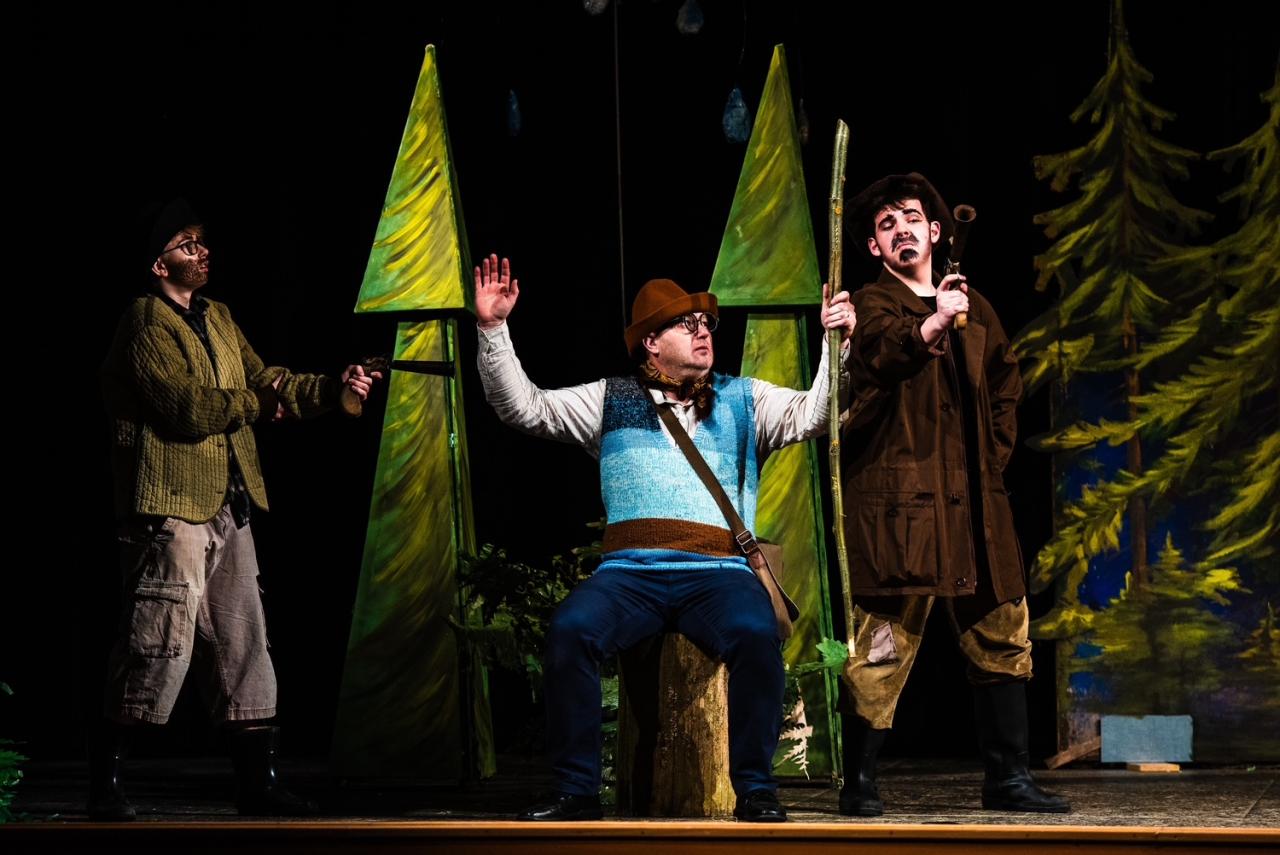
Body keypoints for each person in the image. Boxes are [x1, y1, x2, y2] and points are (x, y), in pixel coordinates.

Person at [473, 254, 854, 822]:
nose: (703, 332)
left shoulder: (746, 398)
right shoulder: (609, 399)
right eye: (686, 324)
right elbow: (523, 408)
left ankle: (756, 790)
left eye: (706, 324)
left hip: (718, 575)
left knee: (757, 635)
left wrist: (835, 345)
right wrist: (493, 329)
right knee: (572, 631)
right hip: (630, 576)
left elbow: (818, 413)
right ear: (650, 343)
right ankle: (577, 792)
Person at [92, 198, 381, 820]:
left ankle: (258, 784)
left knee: (244, 640)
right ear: (157, 264)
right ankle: (105, 784)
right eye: (186, 244)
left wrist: (332, 388)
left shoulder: (216, 316)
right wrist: (257, 404)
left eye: (201, 241)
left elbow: (264, 378)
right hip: (170, 508)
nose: (201, 252)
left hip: (230, 503)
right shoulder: (145, 324)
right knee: (157, 640)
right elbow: (187, 408)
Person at [835, 173, 1069, 815]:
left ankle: (1008, 778)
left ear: (935, 232)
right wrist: (934, 322)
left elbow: (1005, 387)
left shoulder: (976, 307)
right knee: (880, 645)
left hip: (975, 508)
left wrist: (989, 464)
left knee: (1003, 633)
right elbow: (882, 357)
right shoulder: (870, 307)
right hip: (900, 507)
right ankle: (859, 782)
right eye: (886, 225)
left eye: (911, 218)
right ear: (875, 247)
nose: (901, 230)